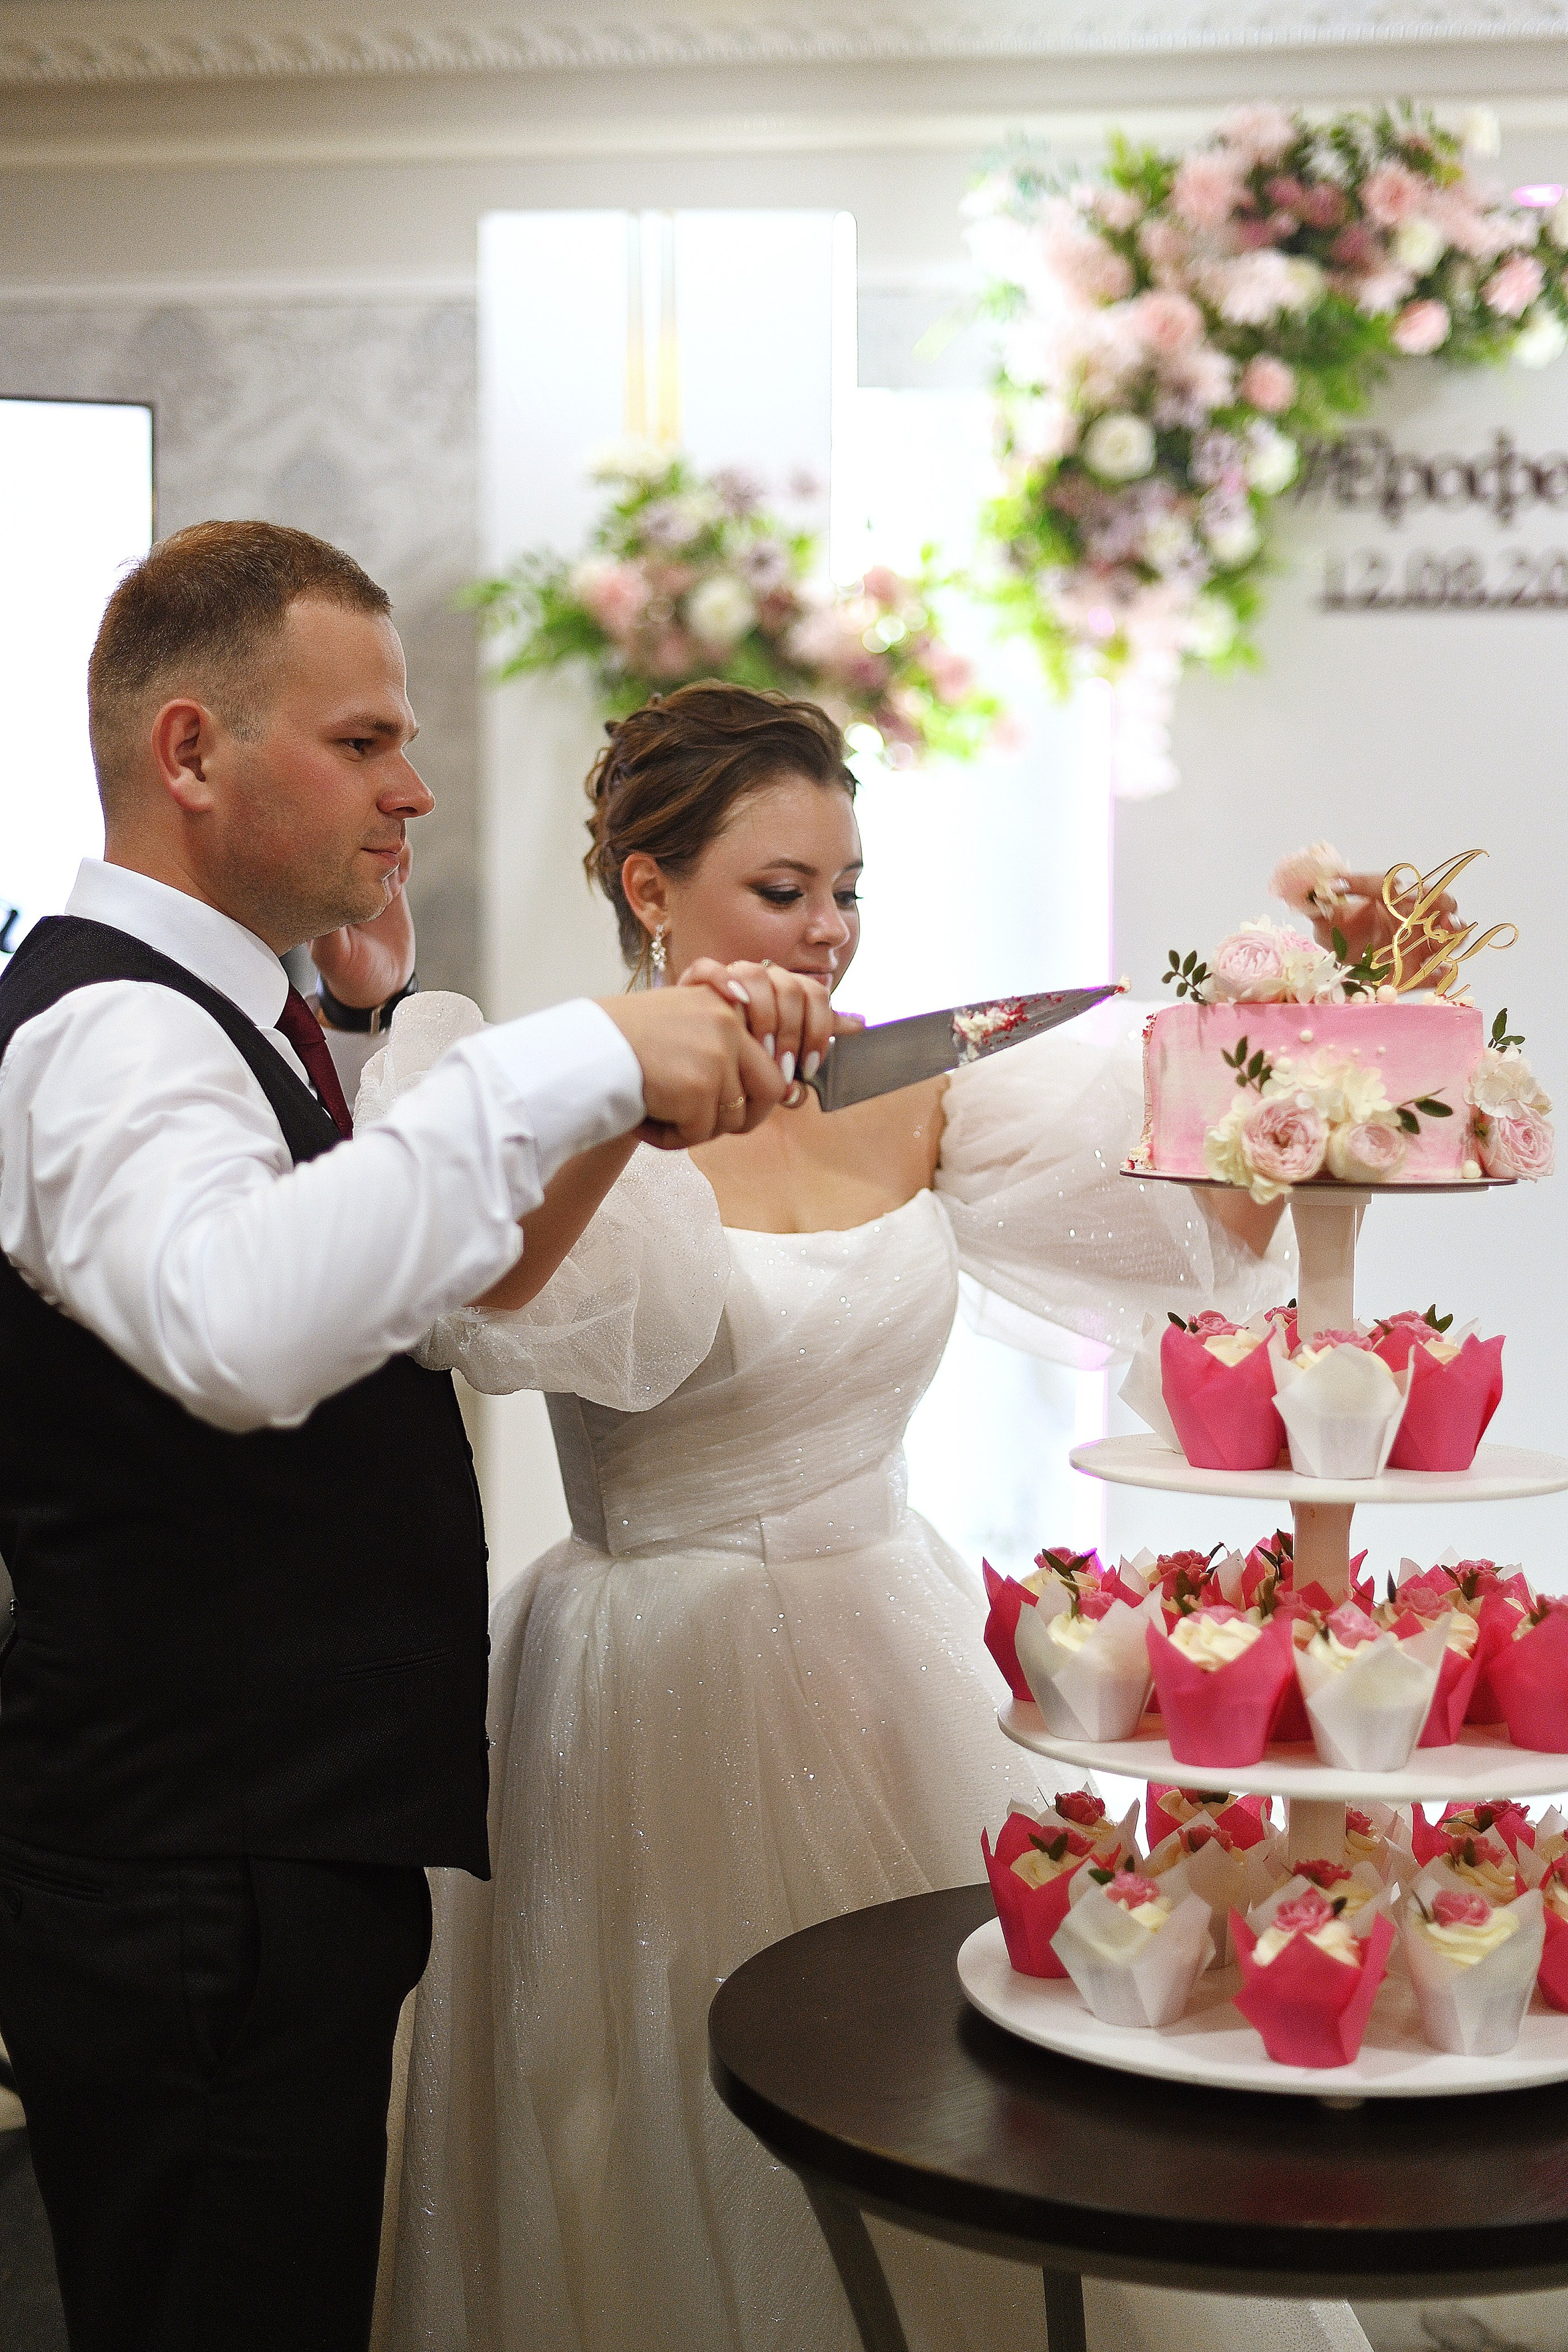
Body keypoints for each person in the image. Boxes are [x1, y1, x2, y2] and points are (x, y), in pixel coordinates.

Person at [375, 684, 1379, 2352]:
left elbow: (1190, 1199)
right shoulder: (555, 1108)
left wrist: (1323, 1008)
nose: (830, 932)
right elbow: (485, 1318)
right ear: (647, 885)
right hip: (651, 1669)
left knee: (982, 2104)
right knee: (661, 2112)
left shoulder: (934, 1091)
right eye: (785, 892)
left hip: (887, 1637)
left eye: (849, 890)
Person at [0, 529, 825, 2352]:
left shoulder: (239, 1018)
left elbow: (416, 1282)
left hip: (263, 1852)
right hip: (190, 1874)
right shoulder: (113, 1032)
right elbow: (235, 1329)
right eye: (366, 742)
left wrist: (373, 1038)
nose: (416, 788)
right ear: (192, 755)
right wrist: (575, 1060)